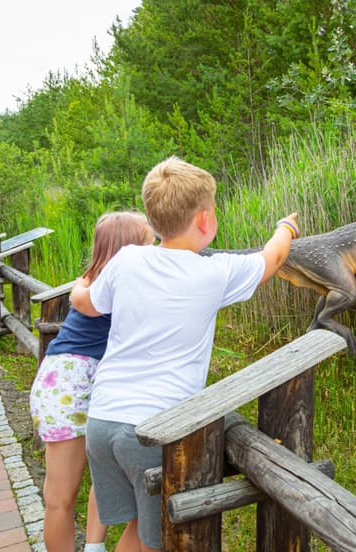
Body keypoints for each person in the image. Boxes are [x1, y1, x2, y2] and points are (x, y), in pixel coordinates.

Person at [70, 156, 299, 552]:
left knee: (136, 529)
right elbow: (273, 258)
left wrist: (76, 291)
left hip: (103, 421)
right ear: (206, 220)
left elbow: (89, 304)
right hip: (149, 429)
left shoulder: (127, 260)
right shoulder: (213, 273)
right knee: (158, 540)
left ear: (152, 218)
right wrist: (286, 227)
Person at [30, 211, 156, 552]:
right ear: (130, 248)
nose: (155, 247)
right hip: (69, 387)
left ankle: (94, 546)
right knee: (60, 498)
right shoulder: (112, 286)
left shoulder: (92, 281)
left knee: (99, 477)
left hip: (69, 382)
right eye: (149, 241)